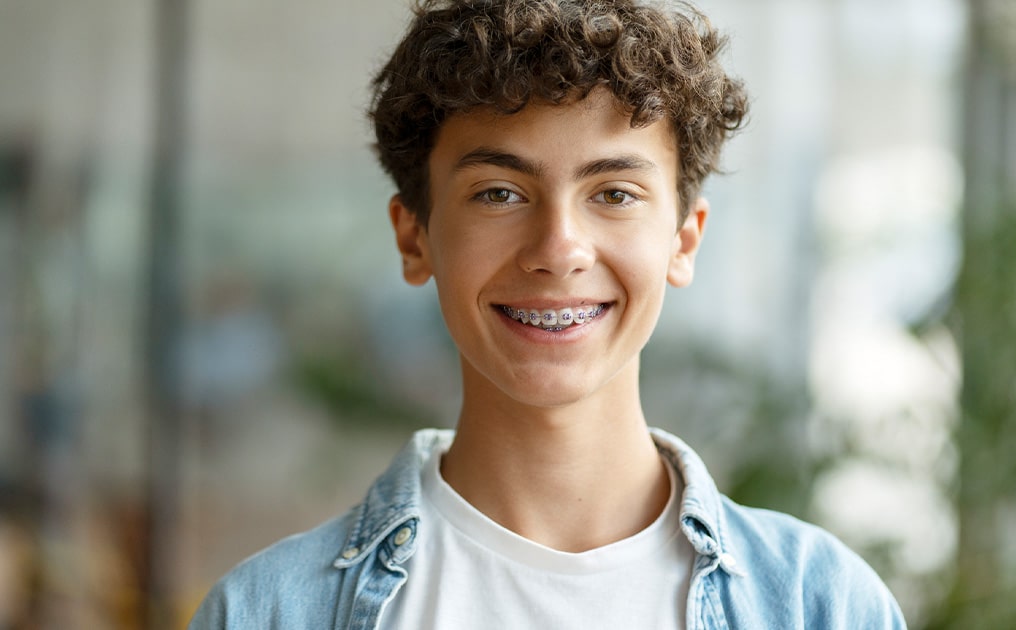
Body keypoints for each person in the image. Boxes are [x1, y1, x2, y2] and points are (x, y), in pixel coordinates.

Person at [189, 0, 907, 627]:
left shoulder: (822, 606)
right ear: (415, 237)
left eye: (615, 194)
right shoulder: (269, 613)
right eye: (499, 193)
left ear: (683, 241)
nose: (558, 250)